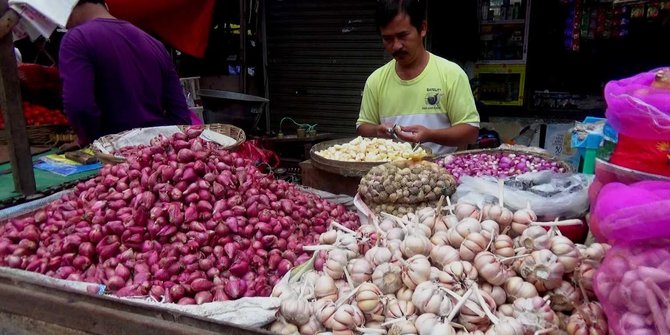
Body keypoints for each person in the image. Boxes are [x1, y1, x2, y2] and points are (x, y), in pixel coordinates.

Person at [59, 0, 196, 148]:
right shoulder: (154, 44)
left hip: (112, 155)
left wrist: (85, 140)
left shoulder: (76, 39)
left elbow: (79, 105)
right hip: (156, 155)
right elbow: (181, 115)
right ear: (106, 6)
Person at [356, 0, 480, 155]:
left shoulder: (452, 74)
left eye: (403, 35)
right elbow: (363, 126)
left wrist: (430, 135)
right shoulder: (375, 80)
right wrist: (377, 130)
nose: (396, 46)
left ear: (422, 28)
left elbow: (470, 132)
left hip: (441, 173)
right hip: (390, 175)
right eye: (387, 39)